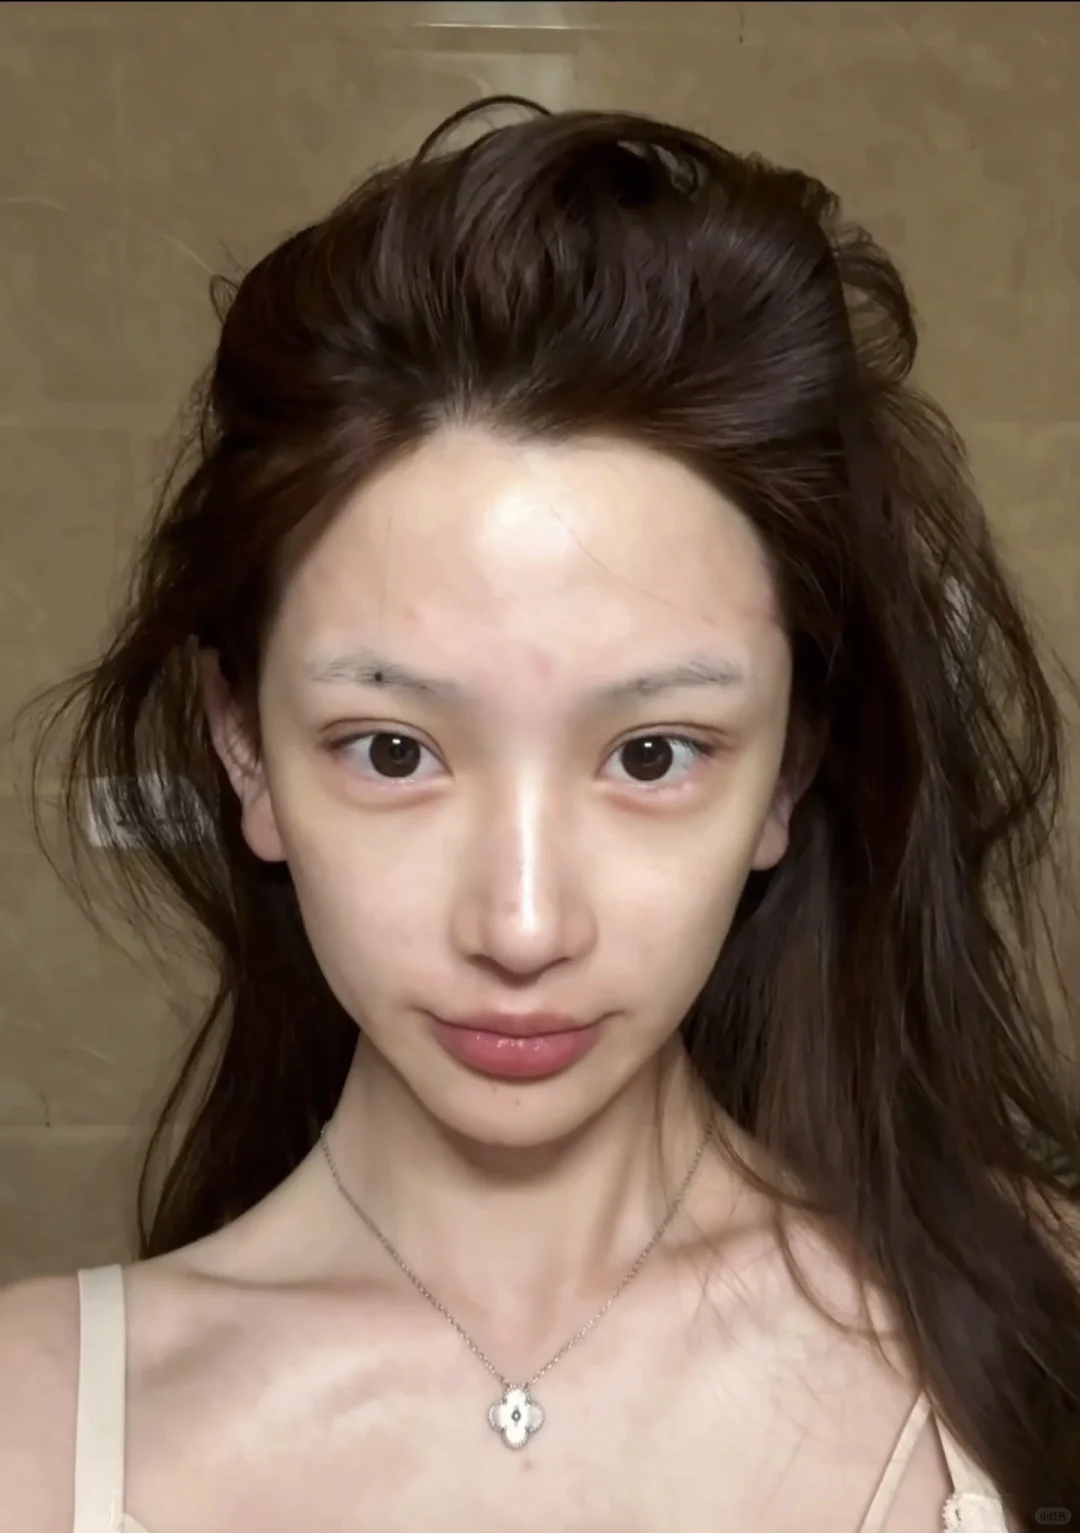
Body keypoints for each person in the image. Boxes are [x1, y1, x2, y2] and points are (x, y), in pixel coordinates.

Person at [2, 94, 1078, 1533]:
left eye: (653, 754)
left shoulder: (1045, 1323)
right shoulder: (30, 1428)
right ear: (244, 748)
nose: (521, 927)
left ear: (791, 769)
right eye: (394, 751)